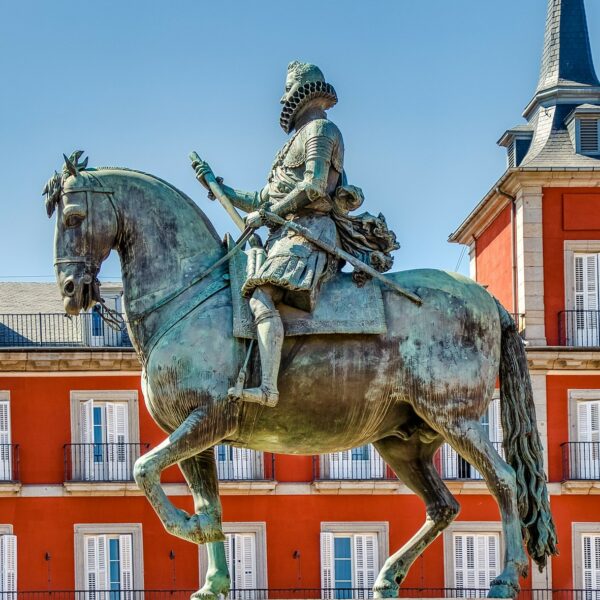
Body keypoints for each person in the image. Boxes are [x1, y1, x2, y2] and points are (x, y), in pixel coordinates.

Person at [194, 61, 398, 408]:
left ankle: (268, 389)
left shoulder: (321, 131)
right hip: (286, 234)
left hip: (310, 233)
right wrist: (219, 187)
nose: (281, 102)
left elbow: (314, 187)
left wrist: (269, 213)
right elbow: (261, 199)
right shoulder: (292, 144)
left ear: (300, 95)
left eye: (287, 92)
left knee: (260, 294)